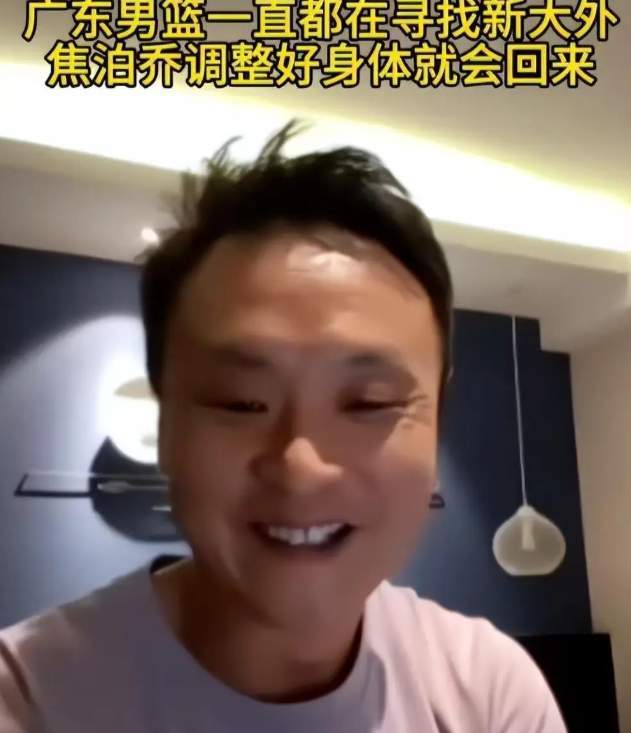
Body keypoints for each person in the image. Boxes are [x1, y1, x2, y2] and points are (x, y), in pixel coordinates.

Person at [0, 121, 566, 732]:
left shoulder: (488, 693)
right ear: (164, 424)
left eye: (368, 403)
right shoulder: (31, 698)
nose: (301, 468)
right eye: (241, 402)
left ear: (437, 420)